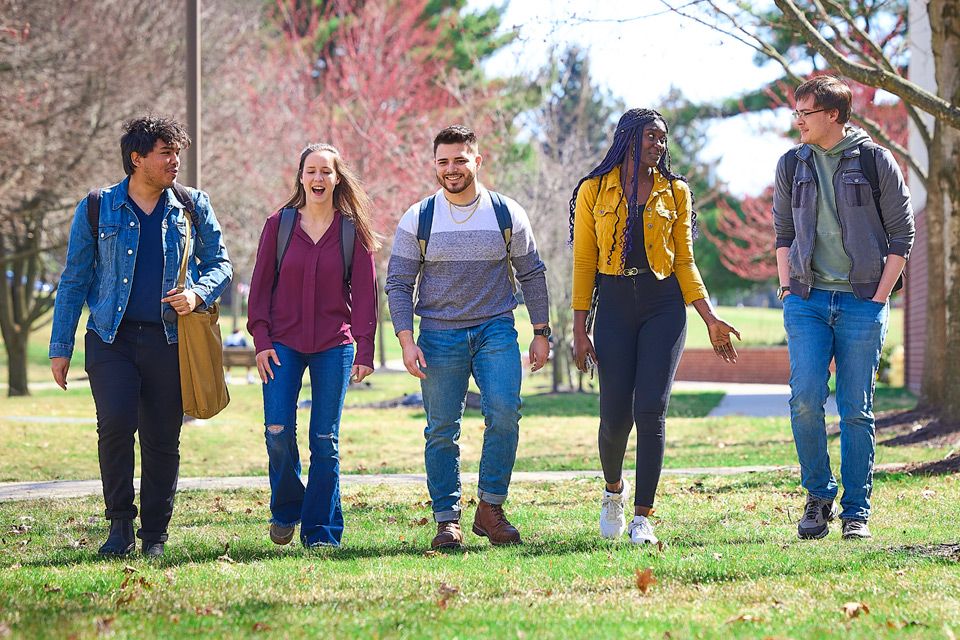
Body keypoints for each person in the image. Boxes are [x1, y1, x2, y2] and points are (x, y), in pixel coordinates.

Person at [49, 116, 232, 557]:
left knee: (162, 439)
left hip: (171, 342)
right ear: (137, 159)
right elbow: (74, 279)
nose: (175, 161)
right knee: (114, 425)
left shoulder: (192, 205)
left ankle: (154, 536)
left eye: (177, 152)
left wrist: (197, 292)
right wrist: (61, 347)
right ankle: (119, 527)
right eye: (166, 152)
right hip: (110, 338)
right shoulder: (97, 207)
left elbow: (221, 264)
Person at [570, 108, 740, 545]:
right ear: (628, 138)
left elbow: (684, 259)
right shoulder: (593, 190)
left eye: (663, 139)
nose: (658, 145)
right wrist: (578, 328)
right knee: (614, 416)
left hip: (663, 305)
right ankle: (613, 493)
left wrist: (709, 318)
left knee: (651, 410)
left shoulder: (675, 191)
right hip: (613, 306)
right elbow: (585, 262)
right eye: (651, 136)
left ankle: (643, 515)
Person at [385, 125, 550, 550]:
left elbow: (531, 273)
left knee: (505, 412)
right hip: (438, 335)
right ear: (434, 165)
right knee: (441, 429)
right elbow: (399, 283)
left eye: (461, 160)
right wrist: (406, 340)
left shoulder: (505, 212)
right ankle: (447, 520)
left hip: (496, 328)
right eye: (443, 161)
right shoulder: (418, 217)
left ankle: (490, 509)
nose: (452, 168)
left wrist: (541, 332)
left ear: (477, 161)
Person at [773, 76, 914, 540]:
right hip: (808, 300)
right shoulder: (792, 165)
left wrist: (878, 298)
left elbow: (902, 234)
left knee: (856, 409)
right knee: (805, 400)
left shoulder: (876, 161)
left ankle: (857, 511)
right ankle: (818, 496)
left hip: (861, 302)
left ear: (833, 115)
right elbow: (783, 234)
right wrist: (788, 288)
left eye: (805, 113)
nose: (797, 121)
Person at [247, 143, 379, 548]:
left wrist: (365, 348)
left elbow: (366, 293)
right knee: (277, 430)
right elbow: (260, 287)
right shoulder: (279, 225)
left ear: (337, 178)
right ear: (300, 177)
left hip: (332, 346)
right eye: (311, 171)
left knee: (325, 438)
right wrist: (261, 340)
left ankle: (321, 530)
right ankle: (287, 508)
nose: (318, 178)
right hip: (282, 344)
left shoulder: (350, 229)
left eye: (326, 171)